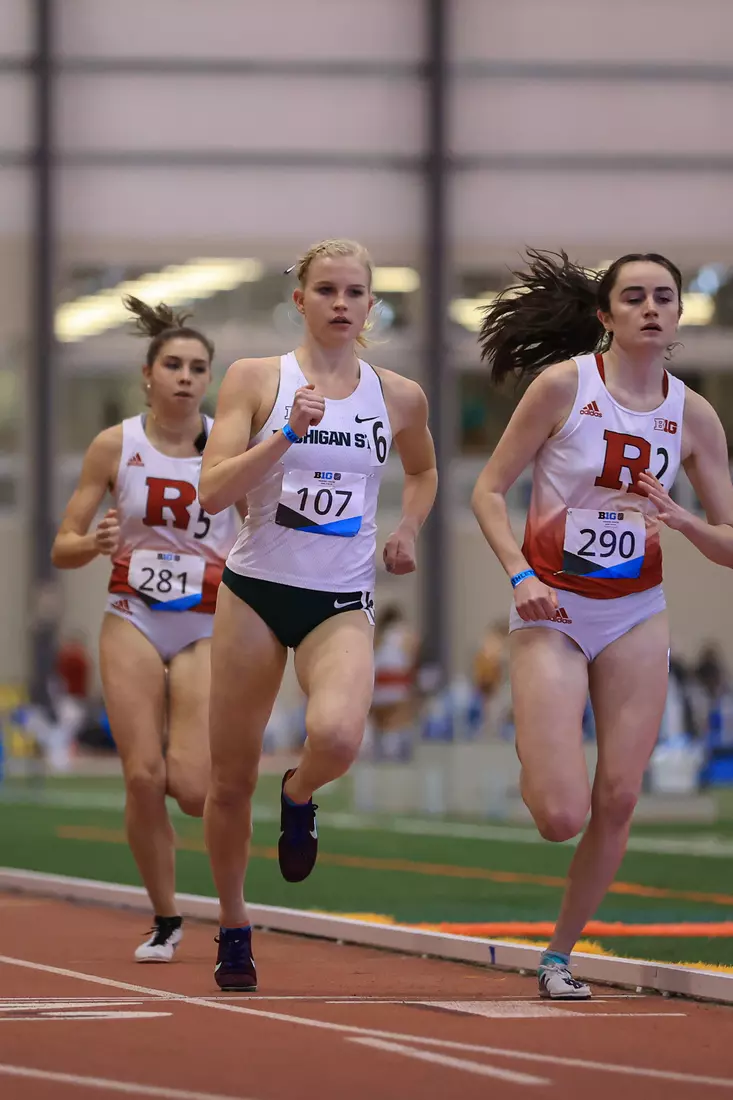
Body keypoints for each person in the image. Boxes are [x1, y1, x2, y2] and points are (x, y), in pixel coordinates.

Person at [471, 250, 733, 999]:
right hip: (551, 606)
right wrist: (518, 575)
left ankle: (558, 956)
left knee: (618, 796)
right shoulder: (564, 386)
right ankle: (536, 746)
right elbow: (487, 491)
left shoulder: (694, 415)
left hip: (634, 613)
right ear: (605, 314)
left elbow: (727, 541)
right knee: (561, 814)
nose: (651, 308)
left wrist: (683, 520)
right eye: (634, 296)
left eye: (664, 297)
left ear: (679, 314)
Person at [199, 238, 437, 991]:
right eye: (326, 290)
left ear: (371, 305)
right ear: (299, 300)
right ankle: (234, 923)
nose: (341, 303)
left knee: (336, 736)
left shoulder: (398, 396)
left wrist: (407, 529)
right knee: (229, 778)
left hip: (340, 597)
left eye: (354, 292)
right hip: (255, 590)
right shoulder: (256, 378)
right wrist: (285, 435)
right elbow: (212, 490)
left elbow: (424, 469)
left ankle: (298, 793)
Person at [51, 297, 240, 962]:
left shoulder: (229, 446)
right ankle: (165, 916)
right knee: (140, 776)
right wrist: (93, 541)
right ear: (148, 374)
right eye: (174, 365)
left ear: (209, 379)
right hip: (132, 613)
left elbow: (263, 528)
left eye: (198, 368)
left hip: (203, 623)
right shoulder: (116, 445)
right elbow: (63, 545)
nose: (186, 377)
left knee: (190, 788)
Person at [371, 604, 420, 760]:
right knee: (397, 724)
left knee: (383, 727)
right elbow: (412, 661)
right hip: (396, 688)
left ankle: (385, 753)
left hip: (379, 688)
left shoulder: (376, 635)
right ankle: (393, 754)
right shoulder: (405, 635)